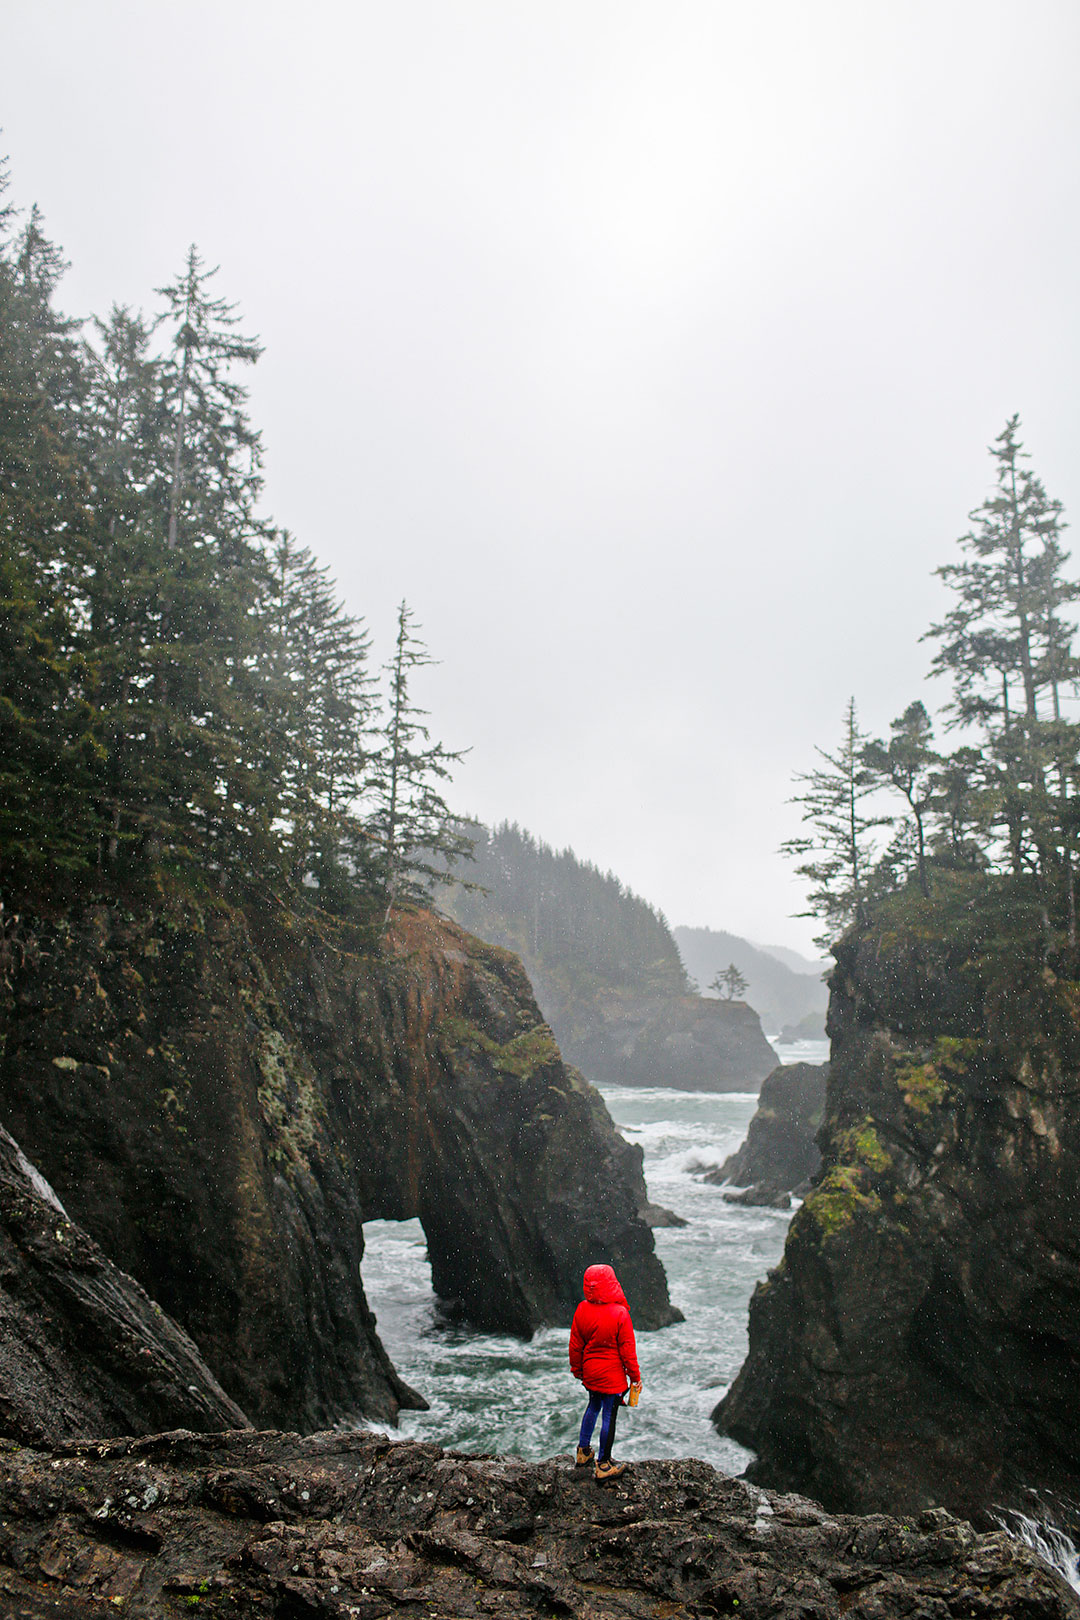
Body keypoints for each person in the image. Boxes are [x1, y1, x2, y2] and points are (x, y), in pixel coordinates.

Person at [568, 1263, 642, 1482]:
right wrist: (635, 1377)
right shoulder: (620, 1313)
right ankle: (604, 1464)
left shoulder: (582, 1308)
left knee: (593, 1407)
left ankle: (583, 1452)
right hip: (612, 1377)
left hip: (591, 1372)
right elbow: (628, 1351)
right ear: (612, 1284)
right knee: (609, 1414)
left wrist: (577, 1369)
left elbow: (575, 1344)